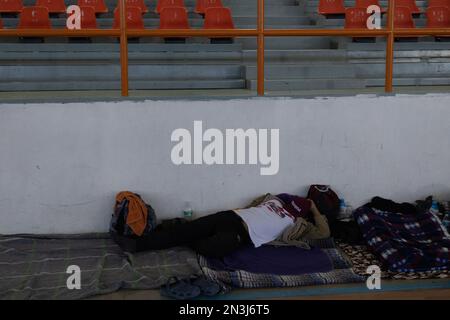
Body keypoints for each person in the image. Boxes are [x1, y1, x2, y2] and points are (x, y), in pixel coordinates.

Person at [111, 193, 330, 258]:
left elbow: (324, 232)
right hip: (230, 217)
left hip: (242, 235)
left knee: (211, 249)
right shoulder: (275, 199)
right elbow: (253, 204)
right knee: (186, 231)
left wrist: (314, 209)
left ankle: (182, 233)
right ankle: (136, 245)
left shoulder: (299, 223)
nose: (287, 206)